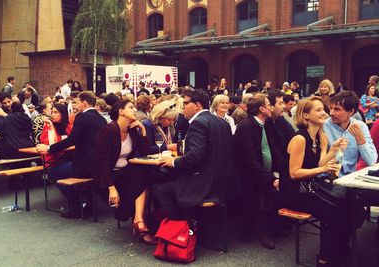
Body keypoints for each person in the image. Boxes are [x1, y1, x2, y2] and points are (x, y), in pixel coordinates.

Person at [283, 96, 357, 266]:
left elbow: (319, 164)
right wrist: (323, 170)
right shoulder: (299, 139)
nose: (324, 112)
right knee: (334, 215)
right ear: (306, 115)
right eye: (318, 110)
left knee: (347, 205)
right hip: (294, 192)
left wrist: (334, 150)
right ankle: (324, 260)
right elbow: (294, 173)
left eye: (323, 109)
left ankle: (339, 251)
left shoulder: (321, 137)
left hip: (311, 188)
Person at [157, 89, 235, 220]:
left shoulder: (198, 123)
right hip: (222, 181)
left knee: (161, 190)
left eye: (186, 103)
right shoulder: (222, 122)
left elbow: (195, 157)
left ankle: (183, 228)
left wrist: (173, 162)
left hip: (205, 184)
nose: (183, 108)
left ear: (197, 105)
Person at [36, 91, 107, 218]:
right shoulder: (101, 119)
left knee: (53, 172)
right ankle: (89, 204)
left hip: (84, 165)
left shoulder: (82, 117)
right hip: (98, 163)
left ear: (84, 104)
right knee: (66, 168)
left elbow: (71, 140)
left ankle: (76, 206)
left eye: (77, 103)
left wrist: (49, 149)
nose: (75, 105)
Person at [94, 99, 155, 244]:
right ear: (121, 111)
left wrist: (143, 131)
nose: (135, 110)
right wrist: (111, 188)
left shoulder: (132, 129)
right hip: (107, 177)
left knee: (143, 172)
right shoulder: (108, 130)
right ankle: (139, 222)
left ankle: (139, 220)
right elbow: (102, 163)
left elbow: (145, 151)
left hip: (124, 172)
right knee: (138, 182)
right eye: (131, 107)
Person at [234, 93, 283, 249]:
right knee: (253, 202)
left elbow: (273, 148)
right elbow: (249, 161)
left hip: (266, 172)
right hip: (249, 176)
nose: (272, 107)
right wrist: (271, 179)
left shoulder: (267, 123)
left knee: (276, 198)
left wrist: (281, 170)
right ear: (262, 109)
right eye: (269, 105)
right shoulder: (245, 127)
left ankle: (266, 229)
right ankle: (258, 232)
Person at [323, 90, 377, 177]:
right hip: (324, 177)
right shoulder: (323, 126)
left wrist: (360, 139)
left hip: (347, 178)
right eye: (331, 108)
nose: (331, 113)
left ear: (351, 112)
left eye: (337, 109)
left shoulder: (360, 127)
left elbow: (371, 160)